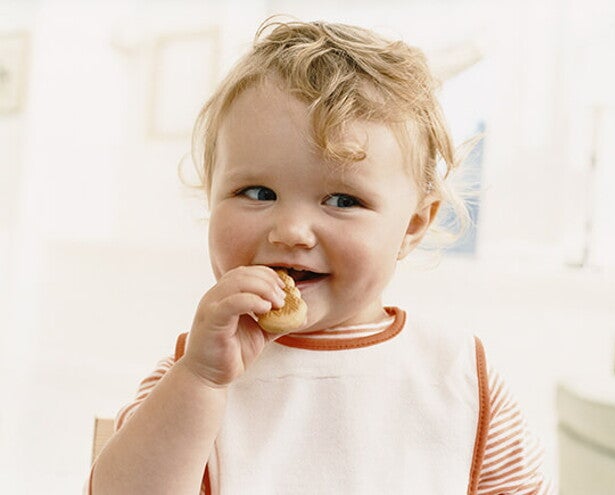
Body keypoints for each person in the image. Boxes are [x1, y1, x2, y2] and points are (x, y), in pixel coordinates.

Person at [88, 17, 555, 494]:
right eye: (256, 191)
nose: (290, 231)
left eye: (342, 201)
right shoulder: (199, 372)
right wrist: (202, 382)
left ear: (413, 224)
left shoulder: (458, 377)